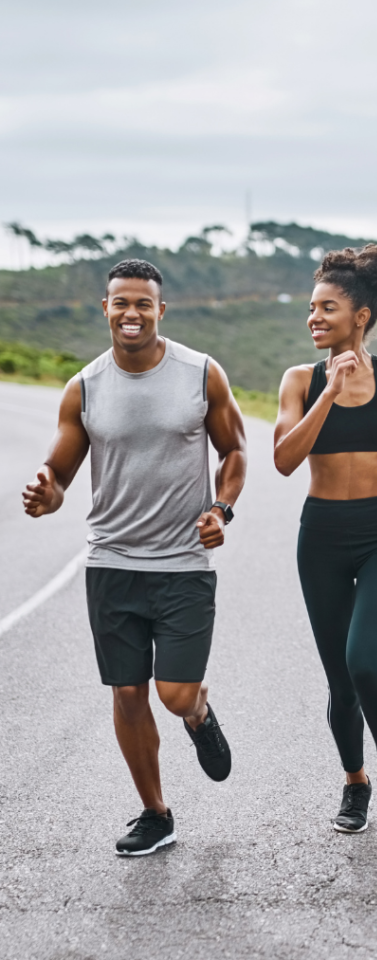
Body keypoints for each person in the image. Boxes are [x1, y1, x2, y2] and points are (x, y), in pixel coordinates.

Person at [22, 258, 247, 857]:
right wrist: (48, 492)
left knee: (174, 693)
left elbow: (235, 452)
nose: (131, 313)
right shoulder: (86, 386)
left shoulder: (201, 374)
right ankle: (156, 813)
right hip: (112, 562)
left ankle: (198, 713)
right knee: (127, 693)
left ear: (160, 310)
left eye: (143, 303)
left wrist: (221, 509)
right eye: (121, 302)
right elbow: (61, 469)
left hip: (182, 564)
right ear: (106, 309)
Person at [273, 245, 377, 836]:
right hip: (319, 537)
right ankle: (354, 784)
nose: (314, 318)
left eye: (327, 308)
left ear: (360, 316)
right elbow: (283, 460)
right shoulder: (299, 380)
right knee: (340, 682)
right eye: (312, 309)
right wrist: (327, 391)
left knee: (364, 661)